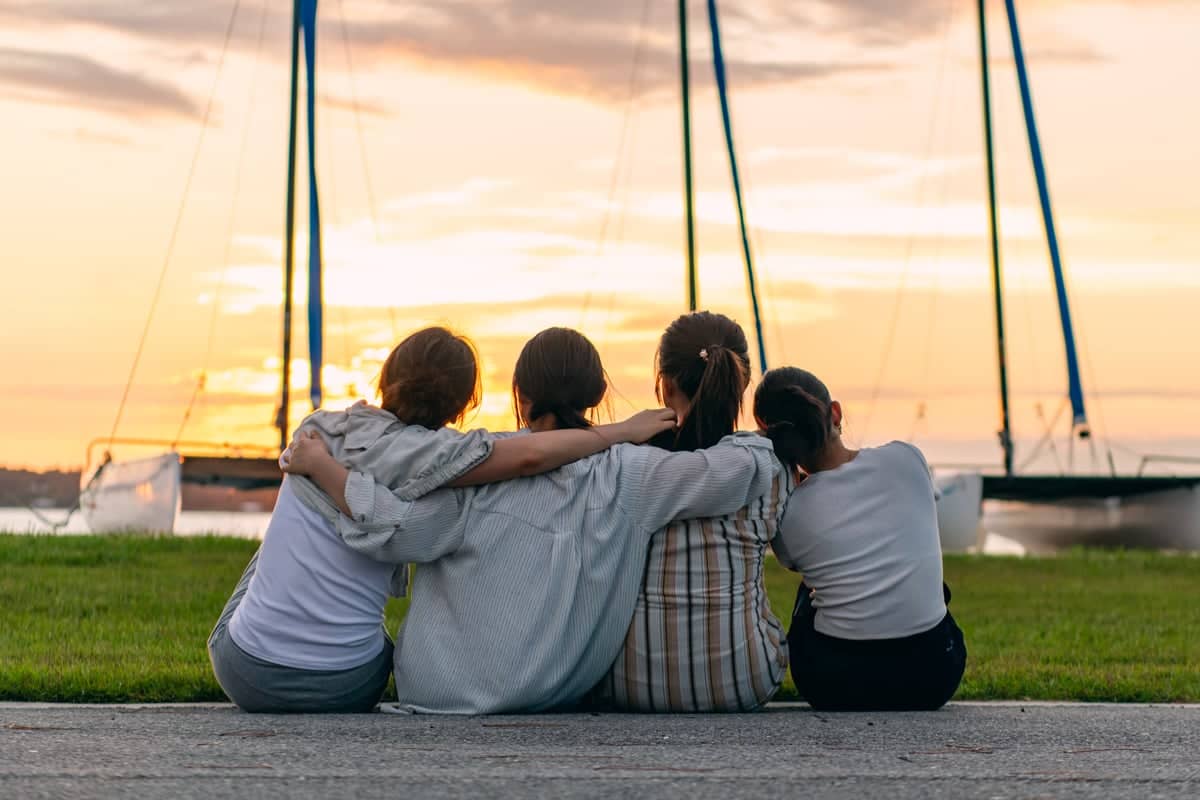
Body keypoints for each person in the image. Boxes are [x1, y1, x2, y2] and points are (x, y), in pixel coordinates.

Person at [285, 325, 784, 714]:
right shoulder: (633, 477)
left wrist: (326, 470)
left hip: (434, 686)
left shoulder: (479, 465)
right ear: (596, 395)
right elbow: (733, 474)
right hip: (550, 688)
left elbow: (402, 530)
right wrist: (763, 440)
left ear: (521, 396)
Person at [207, 326, 676, 713]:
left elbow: (529, 452)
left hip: (244, 672)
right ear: (461, 408)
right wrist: (621, 432)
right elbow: (528, 455)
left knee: (294, 503)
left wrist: (324, 473)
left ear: (386, 377)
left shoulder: (319, 428)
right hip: (345, 685)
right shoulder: (448, 459)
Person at [592, 311, 792, 713]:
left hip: (628, 683)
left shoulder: (624, 466)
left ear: (664, 385)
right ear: (743, 384)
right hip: (744, 681)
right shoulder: (771, 467)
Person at [753, 366, 967, 711]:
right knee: (933, 584)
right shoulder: (907, 458)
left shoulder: (791, 514)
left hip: (835, 683)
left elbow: (795, 565)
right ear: (835, 412)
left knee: (812, 585)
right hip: (935, 673)